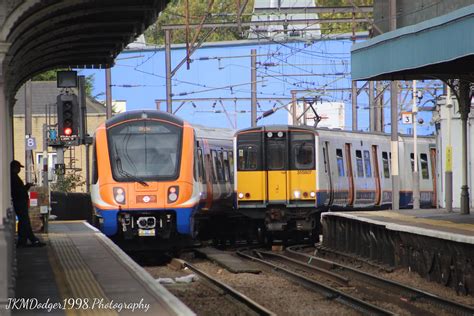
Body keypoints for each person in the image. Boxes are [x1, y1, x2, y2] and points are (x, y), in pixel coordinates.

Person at [10, 160, 45, 247]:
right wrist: (27, 186)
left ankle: (31, 239)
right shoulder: (13, 178)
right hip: (20, 202)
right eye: (18, 167)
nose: (19, 169)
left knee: (25, 221)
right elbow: (19, 191)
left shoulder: (13, 177)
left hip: (19, 201)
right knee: (24, 221)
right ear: (14, 168)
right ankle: (23, 241)